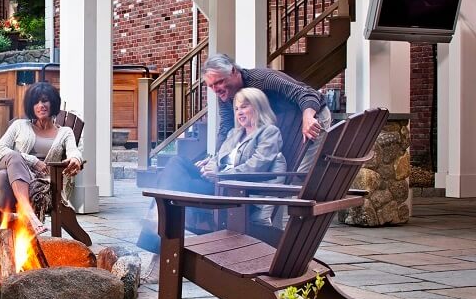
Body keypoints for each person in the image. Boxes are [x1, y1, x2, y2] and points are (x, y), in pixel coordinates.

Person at [137, 88, 286, 251]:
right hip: (213, 184)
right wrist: (210, 163)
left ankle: (157, 223)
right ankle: (159, 219)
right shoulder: (234, 134)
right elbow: (220, 157)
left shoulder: (269, 132)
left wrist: (220, 174)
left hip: (234, 192)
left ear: (258, 107)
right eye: (236, 109)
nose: (239, 112)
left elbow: (257, 166)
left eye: (244, 107)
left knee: (176, 184)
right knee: (176, 162)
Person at [0, 81, 82, 235]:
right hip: (16, 167)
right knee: (13, 156)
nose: (41, 105)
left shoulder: (65, 132)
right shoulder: (19, 125)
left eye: (45, 100)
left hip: (40, 182)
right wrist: (32, 160)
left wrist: (76, 159)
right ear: (31, 106)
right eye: (36, 102)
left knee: (2, 175)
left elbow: (74, 151)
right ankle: (29, 215)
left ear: (52, 103)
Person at [202, 53, 332, 173]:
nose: (216, 90)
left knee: (299, 173)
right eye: (211, 86)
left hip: (312, 113)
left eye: (219, 82)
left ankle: (303, 196)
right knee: (286, 165)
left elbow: (306, 93)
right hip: (287, 119)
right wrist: (217, 157)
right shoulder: (226, 96)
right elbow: (226, 127)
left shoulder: (262, 79)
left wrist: (308, 117)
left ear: (233, 71)